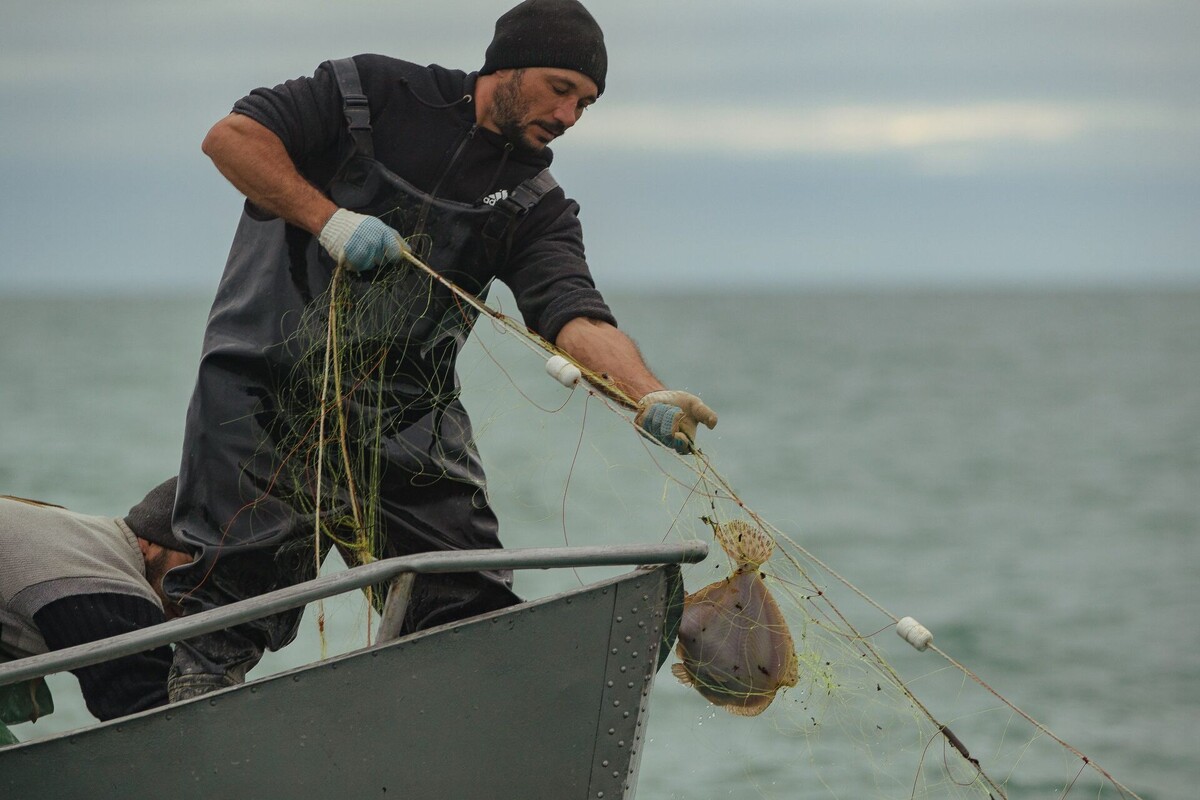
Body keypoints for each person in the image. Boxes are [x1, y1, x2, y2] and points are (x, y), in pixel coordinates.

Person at [165, 0, 718, 701]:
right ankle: (190, 718)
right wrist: (328, 221)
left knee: (467, 608)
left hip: (407, 423)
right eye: (561, 88)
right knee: (229, 604)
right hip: (263, 393)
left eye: (587, 103)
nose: (571, 116)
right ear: (508, 65)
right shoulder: (367, 92)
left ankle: (490, 725)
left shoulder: (534, 201)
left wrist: (646, 392)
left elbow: (574, 313)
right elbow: (232, 139)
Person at [0, 479, 192, 733]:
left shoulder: (88, 540)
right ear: (148, 544)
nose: (198, 589)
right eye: (190, 563)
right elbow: (155, 721)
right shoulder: (109, 584)